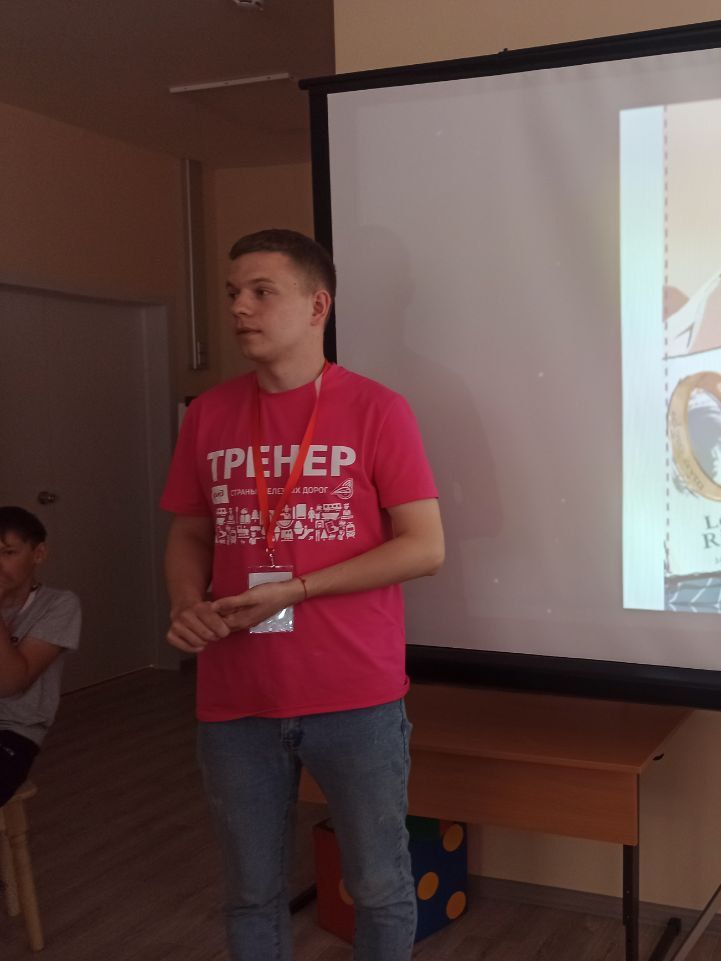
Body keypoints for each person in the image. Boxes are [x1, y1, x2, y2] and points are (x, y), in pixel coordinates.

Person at [160, 228, 444, 961]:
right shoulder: (209, 414)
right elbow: (190, 533)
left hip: (355, 696)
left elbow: (425, 546)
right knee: (250, 892)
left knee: (379, 885)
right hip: (236, 697)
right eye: (233, 293)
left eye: (262, 292)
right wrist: (186, 601)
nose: (239, 308)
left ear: (318, 306)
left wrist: (299, 588)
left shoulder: (378, 409)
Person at [0, 506, 81, 807]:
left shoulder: (58, 605)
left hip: (13, 732)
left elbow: (10, 683)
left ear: (38, 553)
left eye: (8, 552)